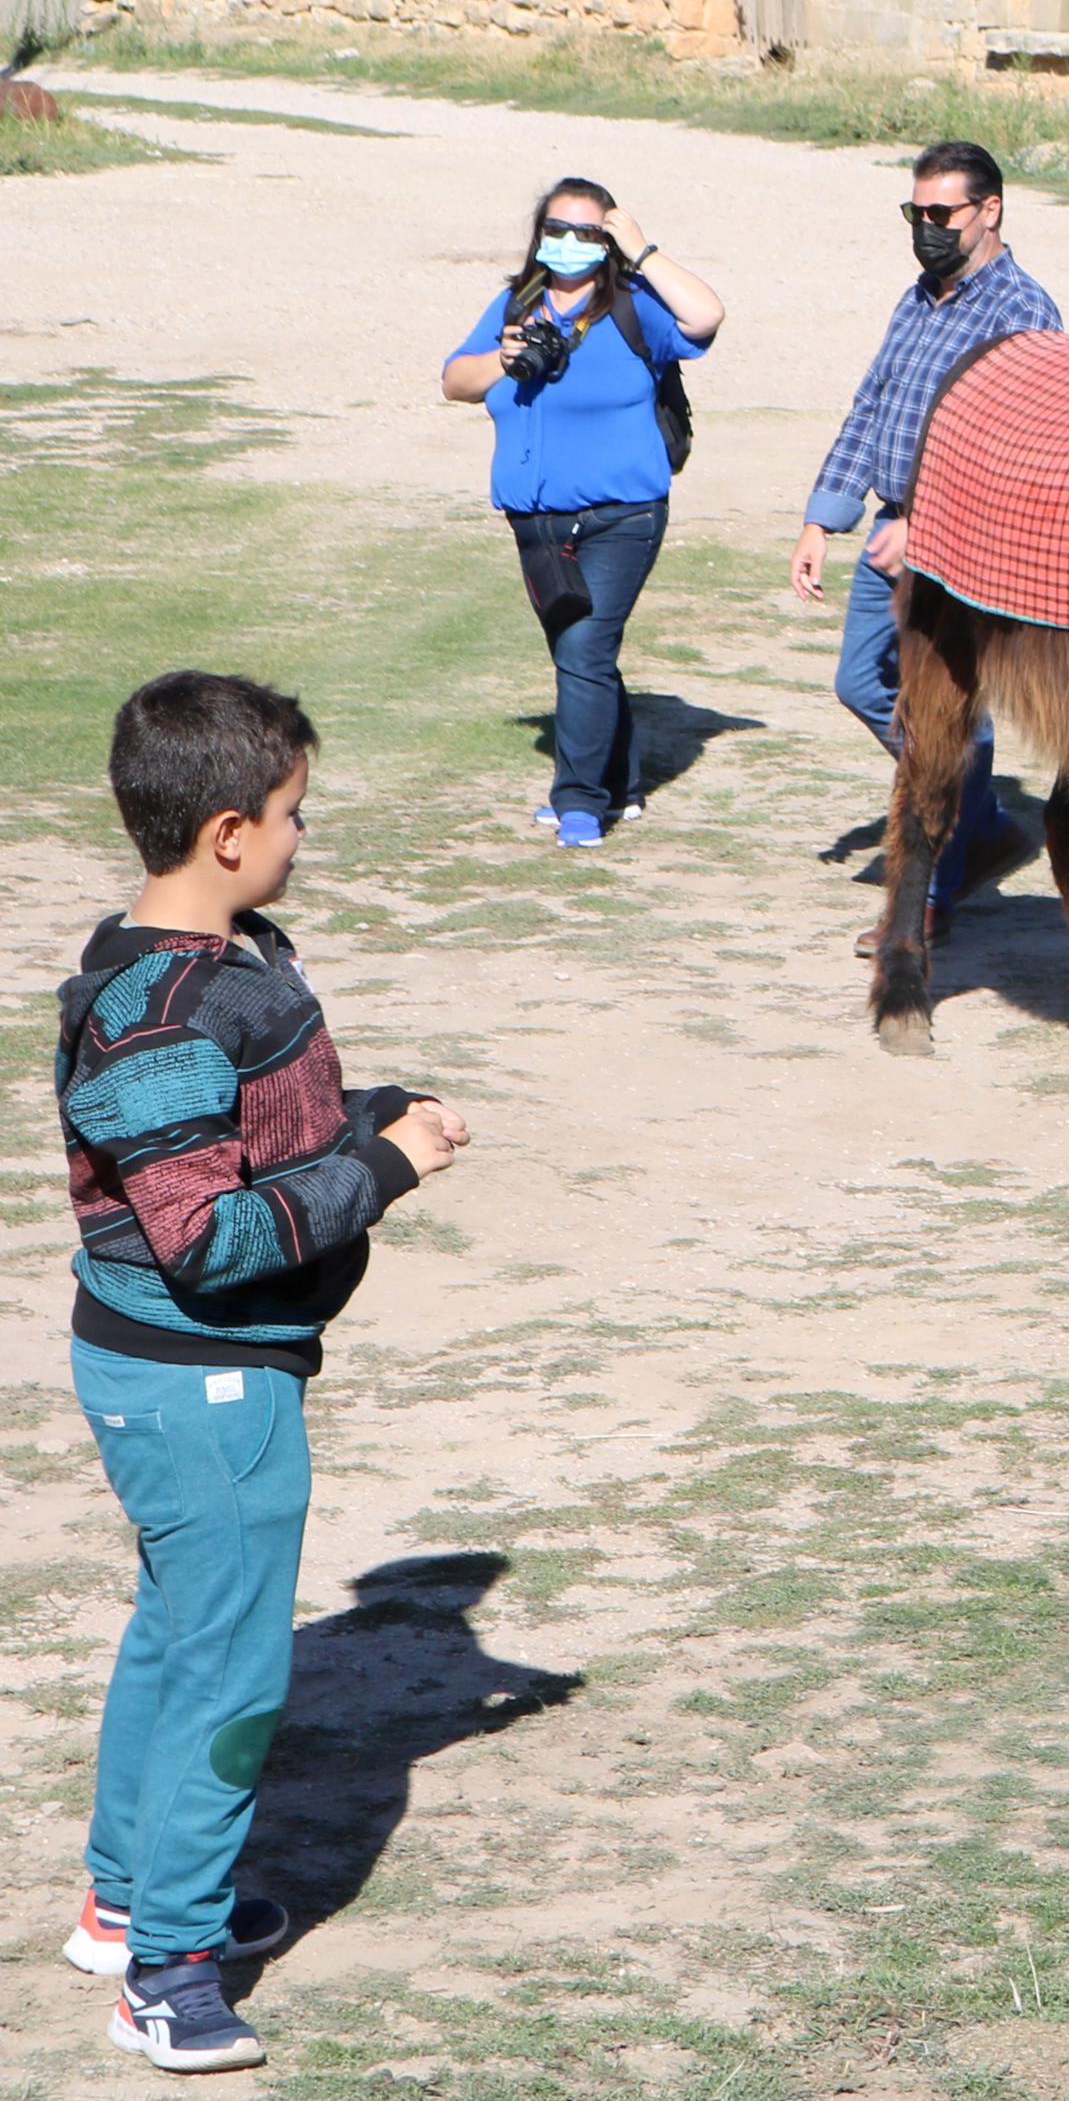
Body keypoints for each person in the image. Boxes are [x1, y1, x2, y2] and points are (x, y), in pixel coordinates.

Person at [55, 674, 470, 2074]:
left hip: (188, 1380)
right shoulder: (163, 1011)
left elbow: (247, 1135)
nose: (305, 833)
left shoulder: (215, 960)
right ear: (227, 828)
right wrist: (383, 1167)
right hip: (204, 1387)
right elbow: (206, 1232)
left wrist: (358, 1115)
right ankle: (168, 1968)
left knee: (177, 1633)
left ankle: (125, 1901)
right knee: (230, 1669)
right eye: (293, 814)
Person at [792, 142, 1060, 928]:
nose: (926, 228)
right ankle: (978, 822)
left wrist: (928, 525)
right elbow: (871, 405)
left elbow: (1019, 446)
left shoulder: (1024, 310)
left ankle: (932, 888)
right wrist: (822, 518)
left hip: (963, 540)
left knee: (940, 711)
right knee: (861, 682)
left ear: (990, 210)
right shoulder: (918, 298)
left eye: (941, 213)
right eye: (916, 213)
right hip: (891, 529)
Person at [439, 176, 728, 849]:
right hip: (536, 524)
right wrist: (501, 360)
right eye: (557, 229)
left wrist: (643, 250)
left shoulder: (634, 306)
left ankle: (577, 802)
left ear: (608, 240)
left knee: (584, 649)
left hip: (621, 517)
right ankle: (622, 782)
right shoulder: (516, 304)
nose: (569, 243)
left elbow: (706, 315)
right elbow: (454, 379)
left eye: (587, 232)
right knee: (583, 657)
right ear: (540, 233)